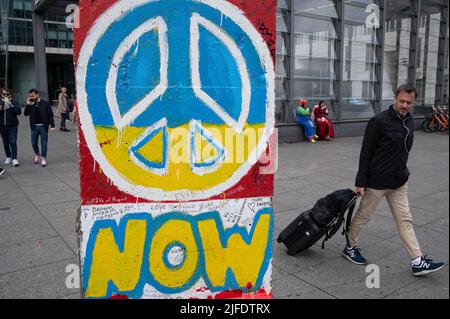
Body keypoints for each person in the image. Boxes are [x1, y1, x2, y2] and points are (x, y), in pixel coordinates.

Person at [342, 83, 445, 276]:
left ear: (414, 103)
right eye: (402, 101)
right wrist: (361, 182)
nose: (405, 105)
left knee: (405, 220)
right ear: (395, 99)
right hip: (377, 183)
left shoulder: (409, 121)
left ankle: (417, 260)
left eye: (409, 102)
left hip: (399, 182)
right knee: (363, 217)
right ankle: (350, 247)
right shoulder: (378, 121)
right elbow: (366, 152)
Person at [24, 89, 56, 167]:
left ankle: (43, 158)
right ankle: (37, 154)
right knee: (33, 143)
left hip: (43, 126)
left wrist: (52, 126)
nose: (31, 97)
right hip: (34, 127)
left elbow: (50, 115)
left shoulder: (45, 103)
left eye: (33, 95)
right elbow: (25, 114)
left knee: (44, 143)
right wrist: (28, 105)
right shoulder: (31, 104)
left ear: (37, 94)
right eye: (30, 96)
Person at [0, 87, 22, 167]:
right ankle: (8, 156)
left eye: (7, 94)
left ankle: (14, 158)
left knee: (13, 142)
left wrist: (11, 105)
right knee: (5, 142)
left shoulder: (14, 102)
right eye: (4, 94)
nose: (5, 96)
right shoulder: (0, 102)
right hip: (2, 126)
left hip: (13, 125)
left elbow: (19, 112)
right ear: (1, 95)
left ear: (10, 94)